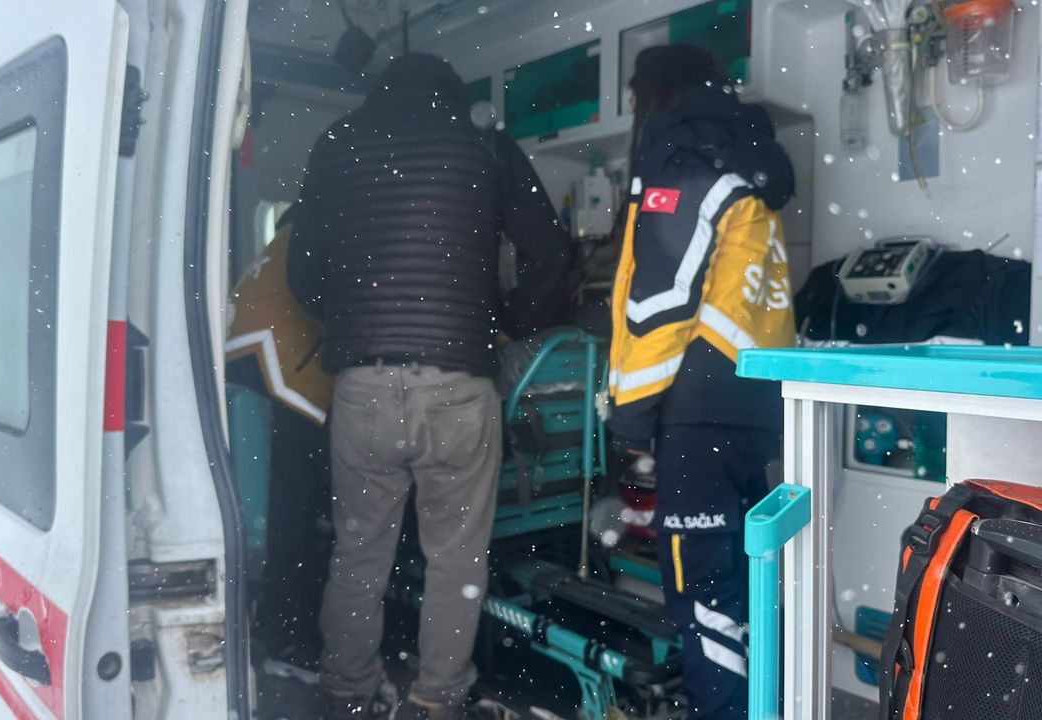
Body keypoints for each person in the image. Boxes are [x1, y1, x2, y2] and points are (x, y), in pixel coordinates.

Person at [287, 54, 570, 720]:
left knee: (358, 550)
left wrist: (357, 320)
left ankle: (347, 689)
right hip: (457, 388)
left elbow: (303, 275)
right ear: (454, 94)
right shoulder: (484, 143)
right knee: (455, 558)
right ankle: (437, 698)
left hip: (362, 390)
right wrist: (508, 318)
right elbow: (551, 253)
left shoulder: (338, 143)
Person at [607, 44, 796, 720]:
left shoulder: (682, 164)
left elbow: (658, 309)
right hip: (759, 410)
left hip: (698, 416)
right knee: (752, 587)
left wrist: (629, 417)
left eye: (636, 98)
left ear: (654, 95)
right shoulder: (746, 167)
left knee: (707, 596)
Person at [225, 210, 335, 686]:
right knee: (292, 514)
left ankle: (272, 627)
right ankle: (289, 640)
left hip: (247, 366)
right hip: (284, 375)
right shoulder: (332, 224)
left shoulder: (296, 227)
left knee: (273, 513)